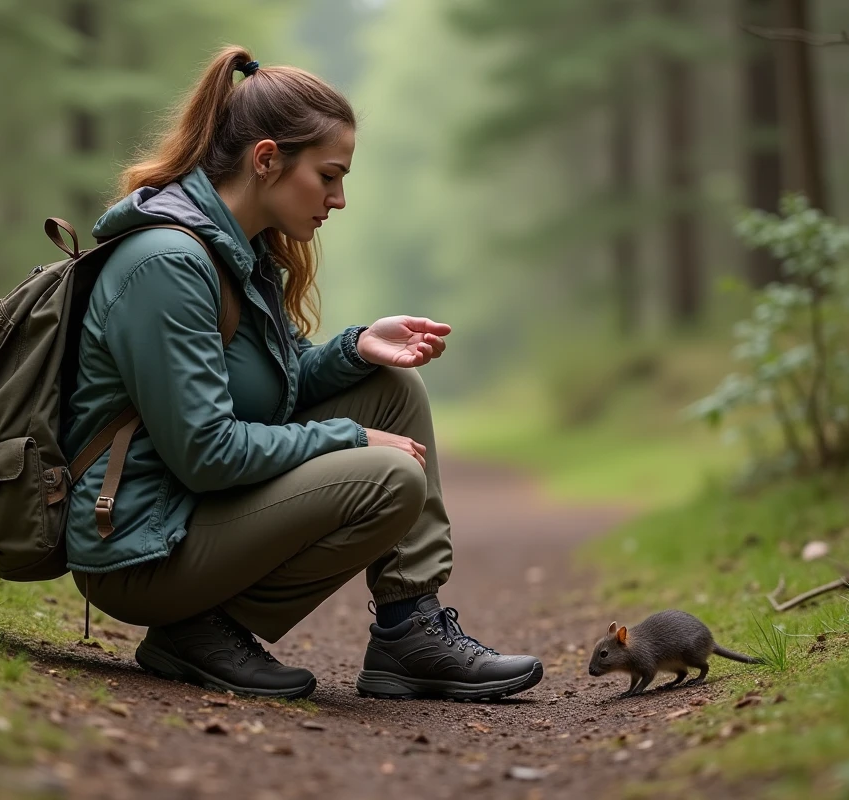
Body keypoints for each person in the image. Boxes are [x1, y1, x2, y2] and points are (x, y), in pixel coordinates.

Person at [61, 45, 543, 701]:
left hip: (195, 514)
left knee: (391, 389)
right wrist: (348, 438)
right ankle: (199, 631)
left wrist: (357, 349)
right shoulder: (168, 264)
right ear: (267, 160)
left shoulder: (240, 250)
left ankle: (410, 630)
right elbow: (206, 451)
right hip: (144, 546)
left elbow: (273, 392)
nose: (339, 199)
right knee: (387, 474)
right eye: (329, 176)